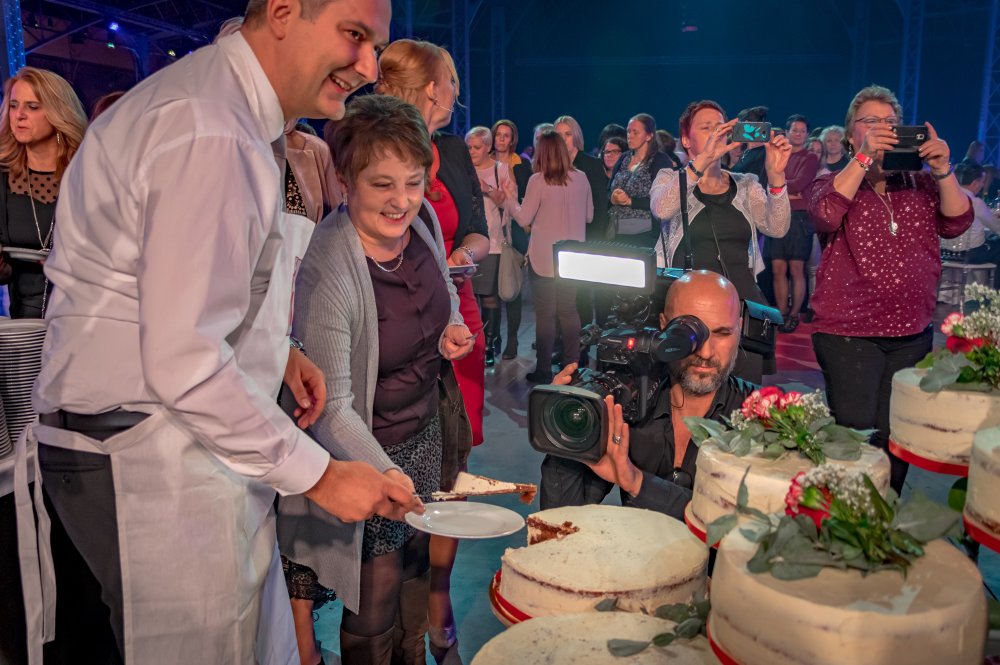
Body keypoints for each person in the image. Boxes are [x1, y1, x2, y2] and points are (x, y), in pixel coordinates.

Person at [25, 2, 423, 664]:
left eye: (375, 46)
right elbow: (184, 360)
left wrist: (278, 350)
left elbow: (177, 290)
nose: (367, 66)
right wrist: (320, 473)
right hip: (152, 455)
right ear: (284, 12)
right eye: (355, 36)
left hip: (180, 444)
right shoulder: (212, 129)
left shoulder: (231, 112)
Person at [277, 94, 473, 665]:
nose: (402, 201)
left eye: (413, 182)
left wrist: (451, 328)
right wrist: (382, 473)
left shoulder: (424, 220)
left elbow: (443, 288)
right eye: (382, 184)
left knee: (416, 573)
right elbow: (332, 406)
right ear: (345, 180)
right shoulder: (329, 265)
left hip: (425, 432)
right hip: (368, 453)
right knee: (374, 599)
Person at [374, 38, 489, 664]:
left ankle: (437, 602)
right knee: (399, 461)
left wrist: (461, 256)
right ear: (429, 89)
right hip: (395, 321)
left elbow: (479, 230)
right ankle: (389, 608)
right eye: (451, 84)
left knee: (452, 467)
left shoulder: (454, 151)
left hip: (457, 318)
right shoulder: (373, 145)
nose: (456, 96)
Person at [808, 85, 973, 493]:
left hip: (911, 333)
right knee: (856, 437)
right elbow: (825, 214)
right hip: (849, 333)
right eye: (871, 122)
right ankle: (849, 517)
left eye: (891, 122)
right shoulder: (832, 181)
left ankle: (886, 513)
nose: (883, 128)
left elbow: (958, 222)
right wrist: (865, 157)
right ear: (850, 135)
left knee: (897, 437)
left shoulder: (920, 183)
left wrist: (943, 169)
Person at [539, 271, 754, 519]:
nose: (705, 352)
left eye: (722, 333)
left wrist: (637, 482)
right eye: (688, 335)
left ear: (739, 329)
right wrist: (565, 433)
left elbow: (741, 527)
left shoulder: (763, 415)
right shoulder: (629, 399)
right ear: (663, 325)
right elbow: (560, 518)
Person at [650, 100, 791, 384]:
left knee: (742, 393)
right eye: (706, 128)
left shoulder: (746, 183)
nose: (717, 133)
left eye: (721, 127)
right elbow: (662, 208)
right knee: (688, 389)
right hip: (689, 307)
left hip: (740, 307)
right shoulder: (671, 178)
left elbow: (777, 228)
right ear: (686, 140)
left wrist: (777, 177)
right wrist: (702, 162)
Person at [504, 130, 593, 383]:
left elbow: (523, 217)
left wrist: (510, 199)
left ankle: (544, 370)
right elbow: (589, 216)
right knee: (569, 311)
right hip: (573, 257)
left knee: (545, 315)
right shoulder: (581, 178)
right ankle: (572, 367)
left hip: (543, 258)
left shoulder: (538, 181)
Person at [0, 67, 86, 319]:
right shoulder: (3, 177)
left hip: (84, 317)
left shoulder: (85, 173)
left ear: (59, 112)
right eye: (13, 105)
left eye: (33, 107)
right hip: (26, 325)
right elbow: (5, 273)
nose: (19, 115)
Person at [764, 114, 819, 333]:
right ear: (787, 132)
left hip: (799, 218)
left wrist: (780, 186)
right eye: (794, 130)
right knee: (778, 267)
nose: (798, 134)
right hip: (778, 213)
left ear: (807, 134)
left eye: (802, 131)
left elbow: (799, 184)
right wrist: (786, 189)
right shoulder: (777, 154)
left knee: (797, 268)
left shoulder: (810, 158)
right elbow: (769, 181)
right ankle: (781, 312)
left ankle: (795, 314)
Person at [466, 125, 514, 365]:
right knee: (469, 296)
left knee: (489, 297)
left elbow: (508, 204)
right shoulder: (463, 169)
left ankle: (491, 343)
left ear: (487, 147)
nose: (472, 152)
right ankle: (475, 343)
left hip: (492, 243)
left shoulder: (500, 169)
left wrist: (486, 188)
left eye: (476, 147)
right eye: (469, 147)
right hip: (467, 241)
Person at [490, 118, 530, 359]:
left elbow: (527, 197)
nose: (502, 139)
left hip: (514, 230)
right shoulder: (485, 162)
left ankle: (512, 340)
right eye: (498, 134)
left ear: (513, 139)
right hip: (490, 230)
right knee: (491, 290)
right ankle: (493, 337)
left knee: (511, 286)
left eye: (506, 135)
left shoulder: (521, 165)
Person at [608, 113, 676, 248]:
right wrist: (612, 197)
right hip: (616, 231)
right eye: (628, 131)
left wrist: (630, 201)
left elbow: (664, 199)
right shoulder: (624, 158)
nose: (630, 136)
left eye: (635, 132)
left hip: (644, 235)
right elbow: (608, 188)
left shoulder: (660, 161)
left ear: (649, 136)